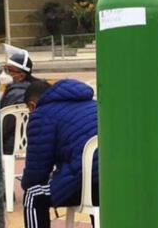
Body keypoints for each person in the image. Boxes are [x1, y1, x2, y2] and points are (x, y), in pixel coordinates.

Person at [21, 79, 99, 228]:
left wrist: (27, 183)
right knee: (92, 173)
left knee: (33, 194)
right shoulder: (93, 105)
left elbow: (36, 173)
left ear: (32, 105)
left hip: (86, 186)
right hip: (113, 183)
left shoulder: (41, 115)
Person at [0, 51, 39, 154]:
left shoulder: (15, 95)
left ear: (21, 76)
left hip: (12, 145)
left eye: (9, 70)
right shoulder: (39, 88)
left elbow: (3, 127)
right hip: (37, 142)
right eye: (4, 69)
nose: (4, 73)